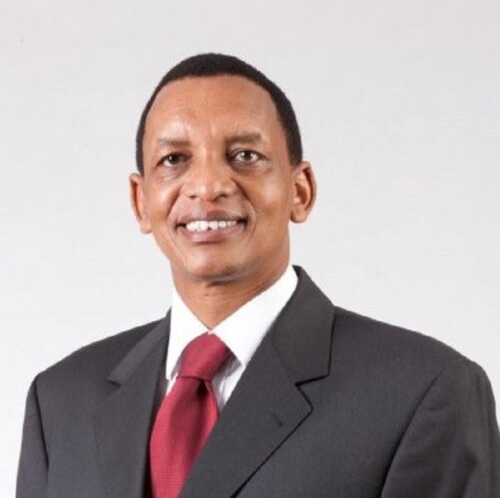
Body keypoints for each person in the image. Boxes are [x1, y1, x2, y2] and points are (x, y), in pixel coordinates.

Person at [17, 53, 499, 498]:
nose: (207, 185)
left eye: (245, 155)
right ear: (140, 201)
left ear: (300, 191)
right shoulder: (60, 402)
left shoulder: (426, 391)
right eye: (174, 160)